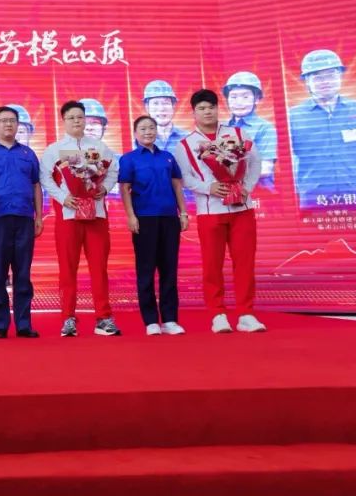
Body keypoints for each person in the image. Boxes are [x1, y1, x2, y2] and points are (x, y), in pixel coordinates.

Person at [174, 89, 266, 334]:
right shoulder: (184, 145)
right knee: (212, 265)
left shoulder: (238, 134)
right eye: (202, 108)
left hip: (242, 209)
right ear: (194, 113)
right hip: (210, 212)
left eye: (211, 107)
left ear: (218, 109)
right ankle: (217, 314)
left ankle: (246, 314)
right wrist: (209, 188)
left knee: (244, 262)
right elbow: (185, 178)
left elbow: (255, 162)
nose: (207, 112)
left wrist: (246, 188)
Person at [40, 101, 120, 338]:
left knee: (99, 268)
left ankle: (103, 318)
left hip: (96, 215)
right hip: (69, 216)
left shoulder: (99, 147)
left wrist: (104, 188)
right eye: (72, 117)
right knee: (67, 269)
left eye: (80, 117)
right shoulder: (54, 149)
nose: (77, 121)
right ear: (64, 121)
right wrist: (63, 198)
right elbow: (45, 179)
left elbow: (113, 171)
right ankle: (68, 318)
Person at [0, 106, 44, 339]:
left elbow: (36, 185)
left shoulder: (28, 154)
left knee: (23, 273)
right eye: (4, 121)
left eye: (13, 120)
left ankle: (24, 324)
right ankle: (0, 324)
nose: (8, 124)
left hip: (24, 218)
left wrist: (38, 216)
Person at [119, 115, 189, 336]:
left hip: (169, 218)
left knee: (169, 270)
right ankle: (150, 320)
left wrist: (183, 212)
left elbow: (177, 186)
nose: (148, 132)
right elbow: (125, 189)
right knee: (146, 270)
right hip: (144, 219)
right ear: (135, 133)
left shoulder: (167, 157)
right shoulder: (129, 159)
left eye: (151, 128)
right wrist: (131, 216)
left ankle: (170, 319)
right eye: (143, 128)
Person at [287, 49, 356, 209]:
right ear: (307, 81)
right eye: (317, 77)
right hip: (316, 199)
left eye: (331, 75)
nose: (325, 81)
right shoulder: (292, 117)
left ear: (340, 77)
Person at [223, 71, 277, 188]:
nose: (239, 102)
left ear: (256, 99)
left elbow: (265, 168)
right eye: (233, 97)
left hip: (260, 192)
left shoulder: (265, 128)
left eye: (245, 97)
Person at [141, 80, 187, 153]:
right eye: (155, 103)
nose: (161, 108)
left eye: (166, 103)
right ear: (147, 107)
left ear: (173, 106)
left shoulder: (187, 138)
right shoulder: (141, 141)